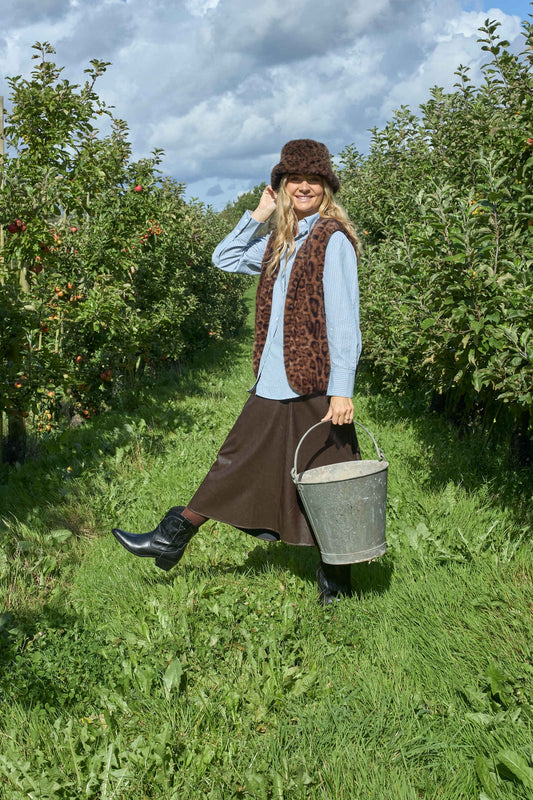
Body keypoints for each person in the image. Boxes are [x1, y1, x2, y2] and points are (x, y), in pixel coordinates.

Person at [112, 139, 363, 605]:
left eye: (313, 180)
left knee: (333, 482)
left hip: (314, 383)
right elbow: (223, 258)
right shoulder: (281, 242)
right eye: (293, 180)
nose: (303, 186)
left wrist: (342, 391)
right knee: (246, 461)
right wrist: (259, 215)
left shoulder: (333, 240)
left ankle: (336, 585)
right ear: (282, 187)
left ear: (326, 187)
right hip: (274, 381)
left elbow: (345, 320)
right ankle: (175, 536)